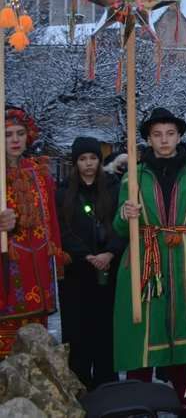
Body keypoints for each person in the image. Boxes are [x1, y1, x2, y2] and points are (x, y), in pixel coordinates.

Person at [114, 107, 186, 402]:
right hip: (144, 261)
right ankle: (139, 403)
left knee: (185, 330)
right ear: (148, 138)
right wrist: (126, 214)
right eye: (157, 135)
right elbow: (119, 227)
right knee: (144, 332)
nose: (164, 140)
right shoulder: (134, 175)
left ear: (179, 136)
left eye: (170, 134)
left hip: (185, 261)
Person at [56, 136, 124, 389]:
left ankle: (108, 387)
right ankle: (80, 386)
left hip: (109, 270)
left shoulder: (114, 187)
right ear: (75, 162)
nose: (88, 164)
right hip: (77, 274)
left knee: (105, 333)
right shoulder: (63, 192)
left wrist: (109, 253)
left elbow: (121, 224)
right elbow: (63, 230)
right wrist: (85, 255)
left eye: (93, 158)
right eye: (83, 159)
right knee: (78, 334)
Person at [0, 107, 66, 358]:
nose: (15, 140)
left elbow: (52, 222)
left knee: (36, 348)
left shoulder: (39, 173)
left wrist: (57, 257)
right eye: (7, 134)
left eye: (20, 133)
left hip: (37, 264)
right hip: (7, 268)